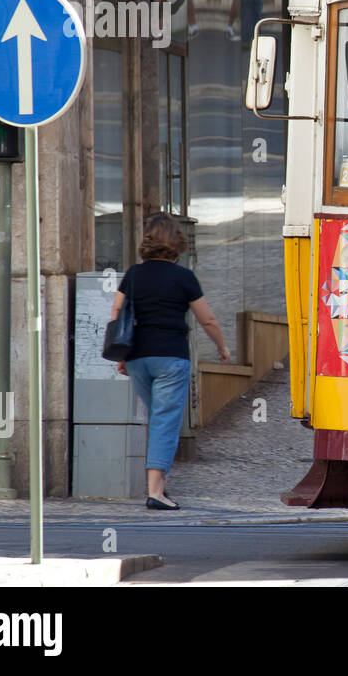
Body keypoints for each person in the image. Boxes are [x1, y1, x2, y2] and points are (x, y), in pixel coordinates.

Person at [112, 213, 231, 511]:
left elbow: (117, 313)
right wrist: (222, 347)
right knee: (166, 422)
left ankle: (159, 486)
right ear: (176, 242)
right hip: (171, 359)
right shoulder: (184, 278)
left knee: (157, 419)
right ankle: (155, 492)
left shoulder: (133, 275)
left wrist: (122, 355)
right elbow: (208, 319)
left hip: (138, 356)